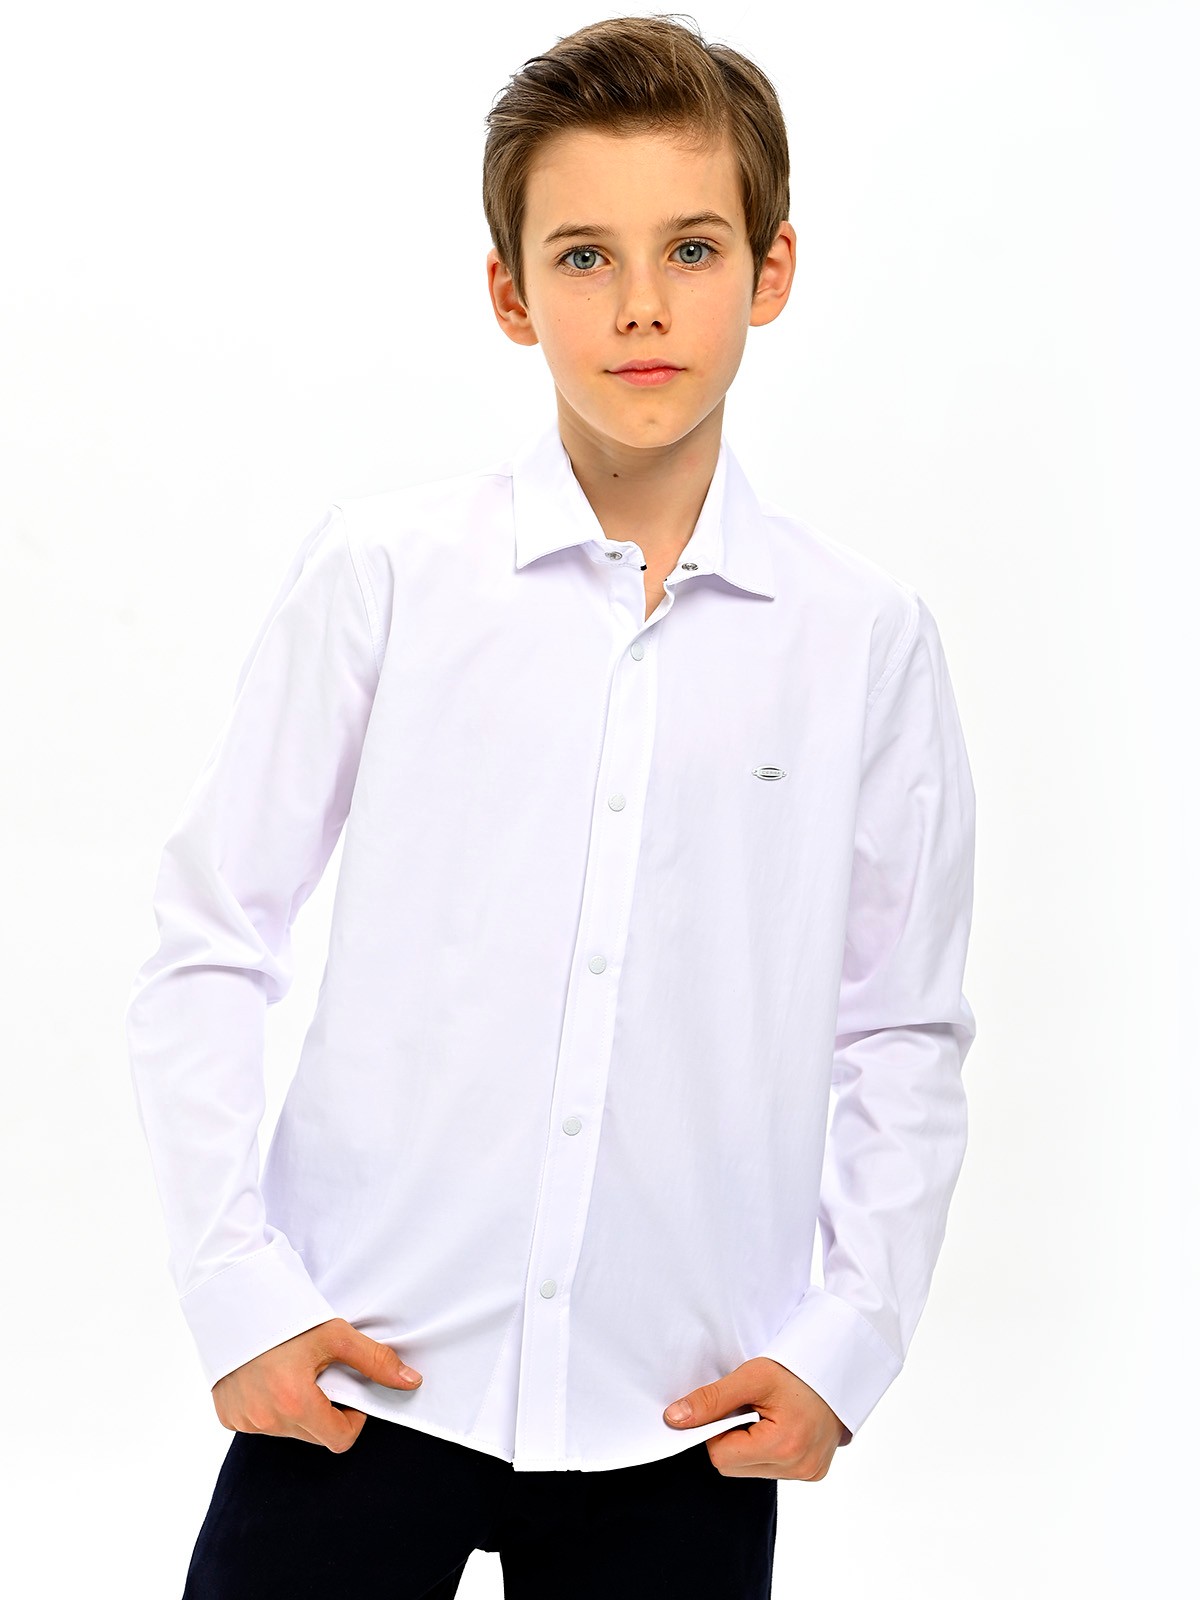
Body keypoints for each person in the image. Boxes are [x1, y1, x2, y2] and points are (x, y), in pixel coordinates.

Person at [125, 14, 977, 1599]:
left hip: (679, 1419)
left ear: (772, 270)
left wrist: (847, 1341)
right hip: (359, 1378)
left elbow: (901, 1028)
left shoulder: (862, 639)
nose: (642, 304)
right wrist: (237, 1295)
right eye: (585, 256)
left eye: (692, 248)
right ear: (511, 292)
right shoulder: (387, 575)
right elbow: (209, 940)